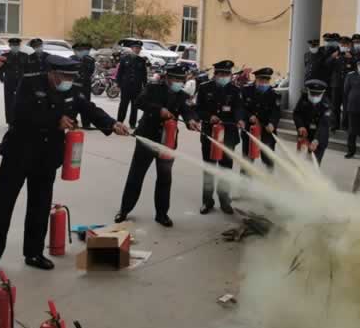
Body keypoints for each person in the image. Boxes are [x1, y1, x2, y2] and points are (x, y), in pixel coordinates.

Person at [0, 55, 130, 270]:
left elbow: (89, 109)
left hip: (47, 156)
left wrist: (112, 123)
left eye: (71, 77)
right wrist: (55, 120)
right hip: (19, 153)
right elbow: (20, 115)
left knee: (40, 206)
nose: (68, 81)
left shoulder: (72, 89)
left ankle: (34, 253)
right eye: (64, 76)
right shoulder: (30, 83)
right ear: (52, 74)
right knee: (3, 204)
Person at [115, 64, 192, 228]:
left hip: (168, 140)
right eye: (175, 79)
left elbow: (188, 112)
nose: (178, 82)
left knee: (165, 178)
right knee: (136, 175)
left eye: (181, 80)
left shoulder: (183, 95)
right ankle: (124, 210)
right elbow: (139, 102)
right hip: (147, 137)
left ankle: (162, 214)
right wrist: (159, 110)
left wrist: (192, 120)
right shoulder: (153, 88)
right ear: (167, 78)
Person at [190, 60, 243, 215]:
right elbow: (197, 109)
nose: (224, 76)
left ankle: (224, 200)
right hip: (210, 134)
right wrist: (209, 117)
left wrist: (240, 119)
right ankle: (207, 201)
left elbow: (239, 108)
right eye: (221, 74)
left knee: (226, 169)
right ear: (215, 74)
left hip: (229, 135)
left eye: (227, 74)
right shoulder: (204, 88)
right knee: (209, 168)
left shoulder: (235, 90)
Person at [240, 67, 281, 169]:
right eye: (261, 80)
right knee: (247, 161)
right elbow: (241, 107)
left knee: (268, 160)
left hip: (267, 131)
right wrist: (249, 116)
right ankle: (245, 178)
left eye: (266, 81)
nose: (264, 83)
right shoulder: (246, 91)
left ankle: (268, 178)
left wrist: (272, 123)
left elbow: (276, 112)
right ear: (256, 79)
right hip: (250, 130)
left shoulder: (274, 95)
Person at [293, 79, 332, 164]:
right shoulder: (303, 99)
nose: (314, 97)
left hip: (319, 138)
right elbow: (297, 113)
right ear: (308, 91)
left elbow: (324, 125)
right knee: (300, 162)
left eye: (317, 94)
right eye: (312, 93)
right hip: (305, 135)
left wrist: (316, 140)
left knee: (313, 164)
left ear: (323, 93)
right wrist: (300, 126)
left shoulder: (326, 104)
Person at [116, 39, 148, 129]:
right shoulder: (124, 59)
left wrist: (145, 87)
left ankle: (132, 123)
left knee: (135, 106)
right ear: (132, 48)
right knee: (123, 105)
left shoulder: (141, 60)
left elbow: (144, 75)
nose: (137, 50)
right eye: (135, 48)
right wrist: (118, 84)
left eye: (139, 48)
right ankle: (119, 122)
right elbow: (120, 73)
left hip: (137, 87)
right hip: (125, 86)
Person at [0, 38, 29, 125]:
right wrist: (2, 79)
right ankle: (9, 121)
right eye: (13, 45)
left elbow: (28, 69)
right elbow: (0, 69)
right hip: (9, 81)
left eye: (17, 45)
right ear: (10, 46)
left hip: (22, 81)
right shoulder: (4, 56)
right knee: (9, 101)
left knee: (21, 101)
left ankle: (20, 120)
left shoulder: (25, 56)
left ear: (19, 46)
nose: (15, 47)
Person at [326, 36, 354, 130]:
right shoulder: (335, 54)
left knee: (346, 106)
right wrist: (332, 57)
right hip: (336, 84)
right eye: (342, 44)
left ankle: (345, 125)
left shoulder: (351, 55)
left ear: (349, 45)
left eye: (345, 44)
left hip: (347, 85)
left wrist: (351, 58)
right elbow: (326, 65)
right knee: (335, 106)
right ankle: (334, 124)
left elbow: (356, 68)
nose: (343, 46)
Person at [71, 42, 97, 129]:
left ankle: (86, 123)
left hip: (85, 85)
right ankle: (73, 122)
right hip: (74, 85)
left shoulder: (90, 60)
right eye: (79, 50)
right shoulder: (71, 59)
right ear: (75, 51)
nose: (81, 51)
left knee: (86, 104)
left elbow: (91, 72)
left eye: (82, 50)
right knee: (73, 104)